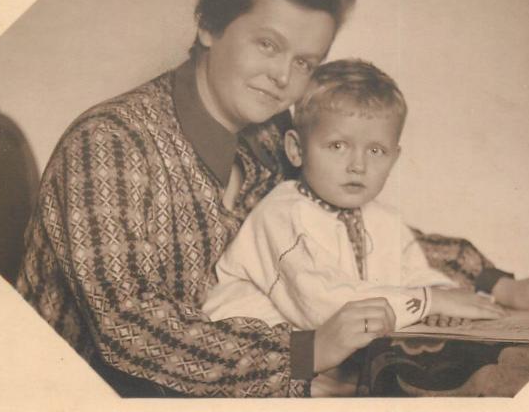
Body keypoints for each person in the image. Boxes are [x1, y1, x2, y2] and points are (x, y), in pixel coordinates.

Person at [15, 0, 529, 398]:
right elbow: (129, 328)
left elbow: (350, 230)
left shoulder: (268, 140)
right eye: (268, 45)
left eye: (306, 61)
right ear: (210, 27)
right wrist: (304, 354)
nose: (285, 77)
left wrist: (500, 284)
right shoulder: (110, 143)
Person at [203, 59, 513, 395]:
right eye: (338, 146)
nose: (358, 165)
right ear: (296, 149)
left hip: (336, 379)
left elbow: (414, 274)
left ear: (394, 158)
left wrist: (443, 298)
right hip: (254, 378)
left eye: (376, 150)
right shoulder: (282, 214)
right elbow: (323, 306)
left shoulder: (383, 219)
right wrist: (428, 302)